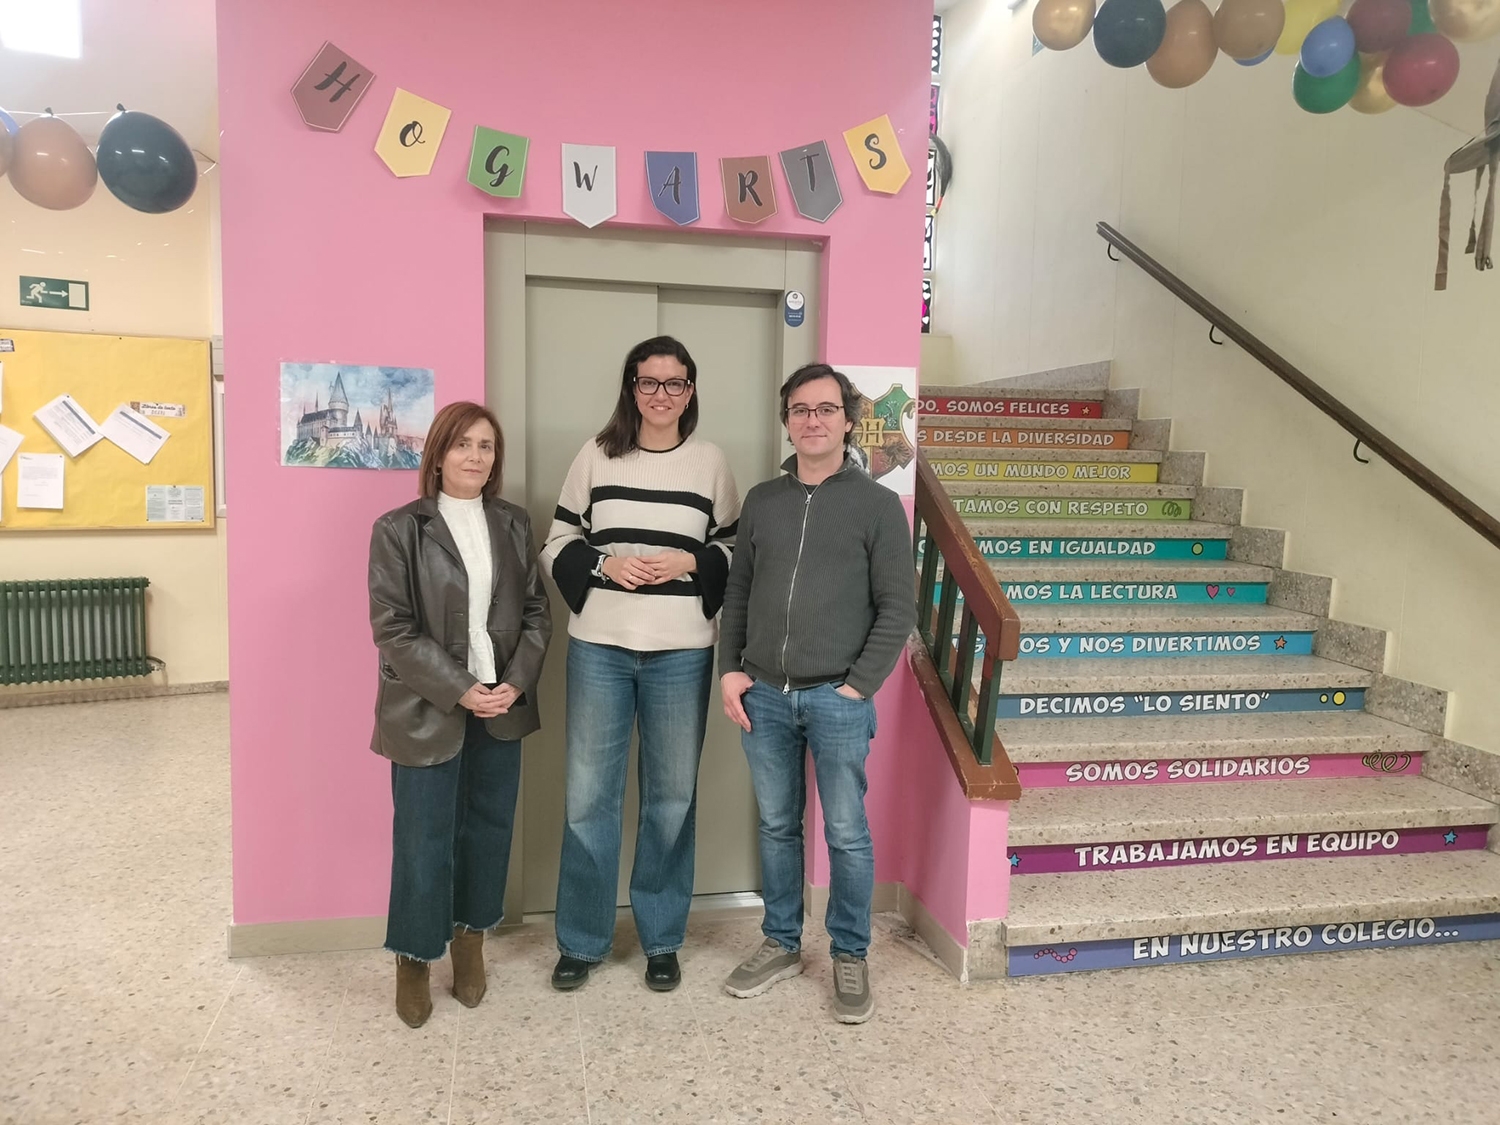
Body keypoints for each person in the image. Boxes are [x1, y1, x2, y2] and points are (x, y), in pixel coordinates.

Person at [718, 363, 916, 1024]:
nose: (813, 420)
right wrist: (731, 668)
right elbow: (738, 592)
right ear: (787, 420)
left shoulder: (878, 505)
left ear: (848, 418)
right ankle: (779, 941)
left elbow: (897, 608)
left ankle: (850, 951)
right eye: (800, 409)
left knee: (845, 831)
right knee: (777, 824)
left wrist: (858, 687)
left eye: (826, 409)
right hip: (765, 696)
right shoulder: (762, 502)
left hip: (838, 698)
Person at [541, 335, 740, 993]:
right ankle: (584, 939)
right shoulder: (596, 456)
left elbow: (736, 549)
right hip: (600, 644)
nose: (662, 394)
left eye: (675, 383)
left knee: (671, 799)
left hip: (682, 651)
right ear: (631, 388)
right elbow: (558, 540)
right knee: (588, 798)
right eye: (649, 382)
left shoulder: (711, 462)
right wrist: (604, 563)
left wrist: (692, 561)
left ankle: (660, 938)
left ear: (691, 390)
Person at [368, 400, 551, 1028]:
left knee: (489, 828)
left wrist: (512, 683)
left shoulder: (514, 523)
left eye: (487, 446)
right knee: (423, 840)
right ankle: (416, 957)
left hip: (501, 707)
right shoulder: (399, 529)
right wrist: (463, 687)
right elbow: (392, 629)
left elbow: (534, 613)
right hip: (426, 709)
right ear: (439, 454)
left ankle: (471, 943)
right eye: (464, 445)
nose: (476, 457)